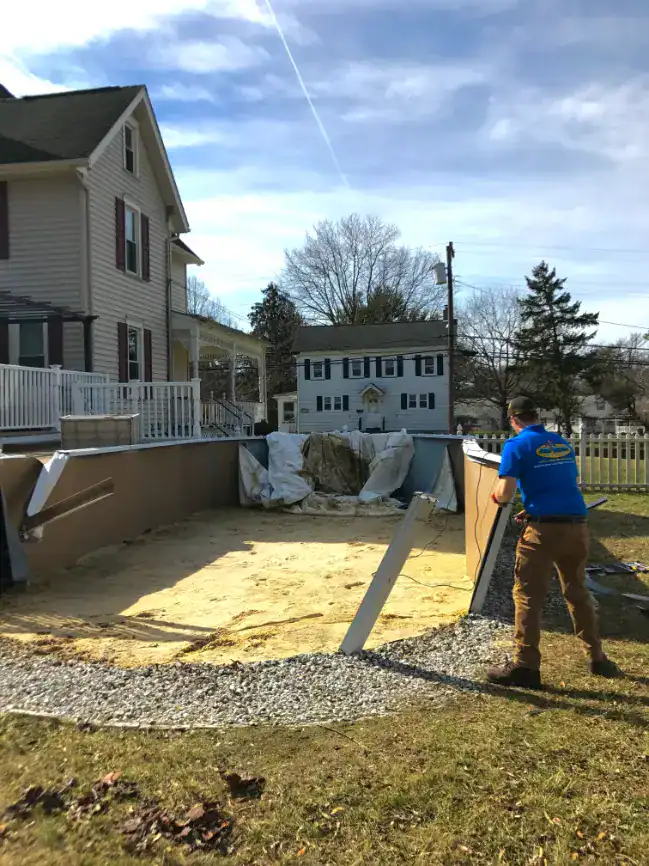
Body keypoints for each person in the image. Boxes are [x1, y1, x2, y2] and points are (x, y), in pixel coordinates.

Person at [486, 396, 619, 689]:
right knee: (577, 591)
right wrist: (532, 507)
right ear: (537, 416)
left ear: (513, 420)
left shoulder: (516, 445)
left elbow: (505, 493)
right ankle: (597, 658)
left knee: (528, 596)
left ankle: (525, 666)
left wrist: (495, 496)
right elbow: (559, 484)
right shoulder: (560, 443)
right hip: (576, 527)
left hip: (542, 533)